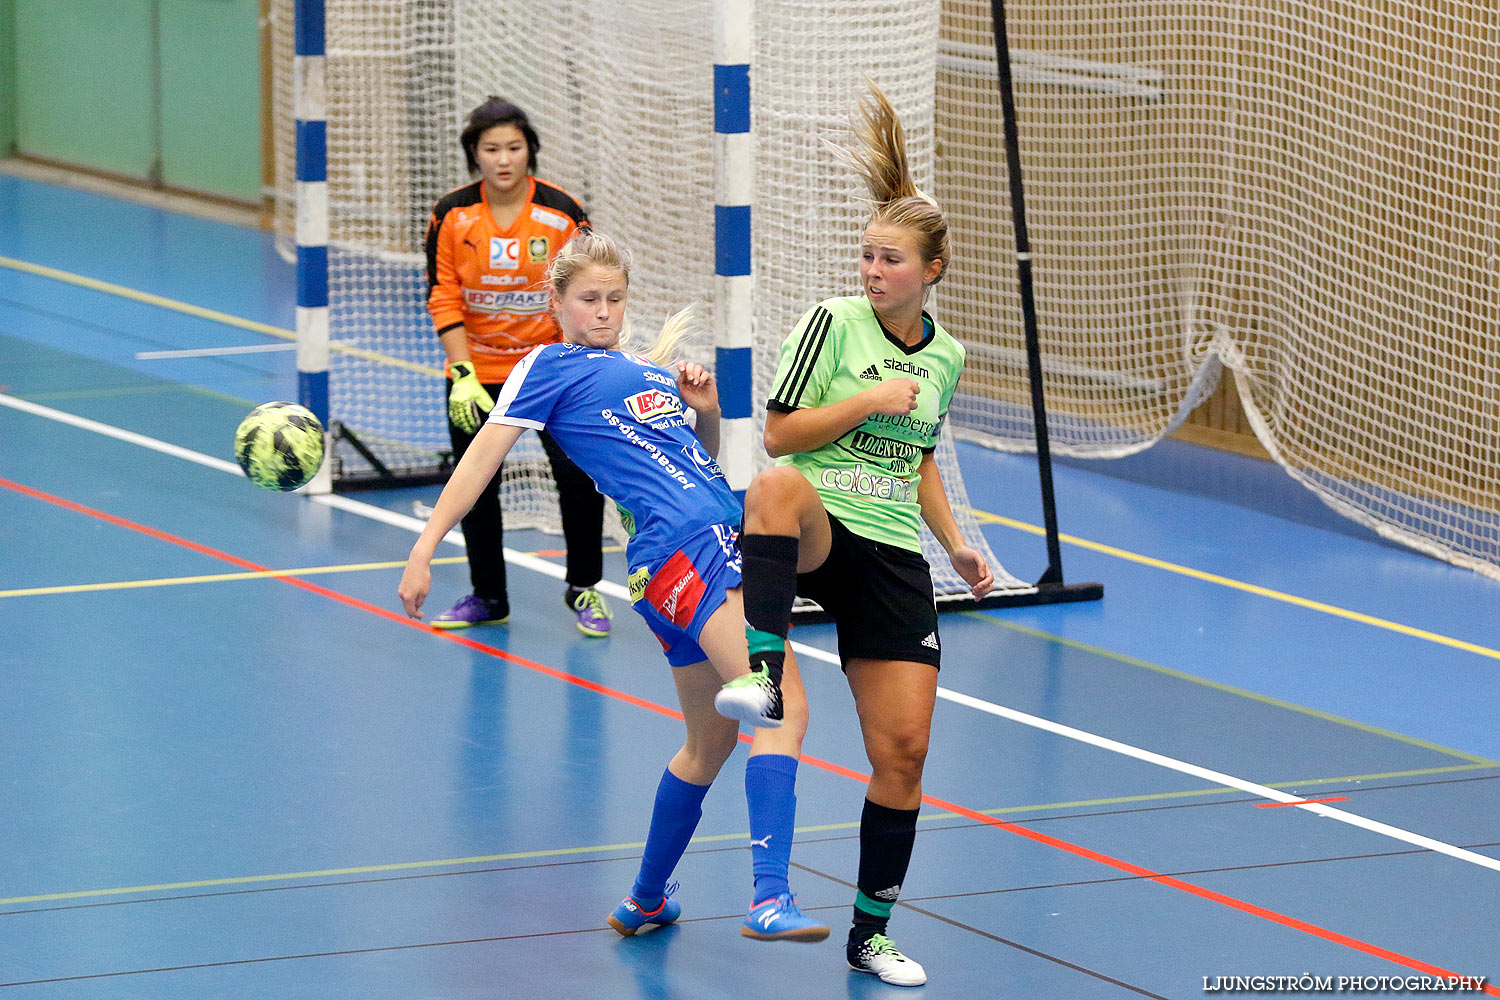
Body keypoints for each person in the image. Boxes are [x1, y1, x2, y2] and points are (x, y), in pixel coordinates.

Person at [399, 228, 829, 942]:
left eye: (614, 299)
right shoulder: (548, 365)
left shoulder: (649, 372)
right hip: (691, 551)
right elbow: (480, 460)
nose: (603, 311)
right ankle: (769, 898)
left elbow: (696, 461)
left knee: (710, 743)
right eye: (588, 299)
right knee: (783, 710)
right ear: (558, 303)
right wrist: (425, 545)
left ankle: (647, 899)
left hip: (684, 555)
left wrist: (707, 413)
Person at [733, 84, 995, 987]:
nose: (873, 270)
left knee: (905, 755)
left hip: (890, 553)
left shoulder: (948, 356)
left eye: (890, 260)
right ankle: (762, 676)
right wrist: (867, 399)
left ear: (929, 272)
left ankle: (870, 933)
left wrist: (956, 542)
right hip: (820, 526)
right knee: (769, 487)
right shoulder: (833, 323)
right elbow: (780, 432)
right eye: (868, 255)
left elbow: (916, 456)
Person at [424, 96, 611, 635]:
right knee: (475, 484)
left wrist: (576, 365)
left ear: (529, 150)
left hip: (550, 369)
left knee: (577, 479)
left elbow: (583, 293)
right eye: (491, 149)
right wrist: (461, 372)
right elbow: (443, 295)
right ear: (474, 155)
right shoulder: (452, 214)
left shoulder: (561, 213)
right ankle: (488, 595)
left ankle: (585, 590)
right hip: (475, 372)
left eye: (514, 147)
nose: (504, 159)